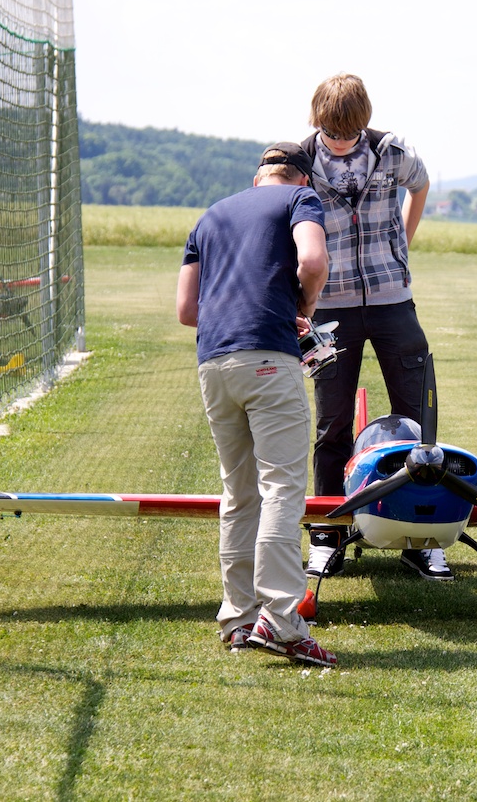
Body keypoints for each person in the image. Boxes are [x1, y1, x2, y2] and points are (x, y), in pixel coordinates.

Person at [177, 142, 336, 668]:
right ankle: (283, 621)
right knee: (282, 488)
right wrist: (303, 303)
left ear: (257, 178)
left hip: (213, 363)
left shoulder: (210, 216)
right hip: (269, 357)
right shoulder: (300, 201)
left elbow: (186, 310)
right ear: (302, 180)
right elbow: (312, 259)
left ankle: (238, 618)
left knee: (238, 492)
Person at [299, 73, 451, 582]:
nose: (340, 142)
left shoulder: (393, 151)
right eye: (331, 133)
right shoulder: (300, 159)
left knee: (418, 420)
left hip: (393, 302)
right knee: (332, 425)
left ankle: (422, 540)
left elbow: (420, 184)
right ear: (317, 121)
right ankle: (327, 536)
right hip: (329, 308)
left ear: (364, 123)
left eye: (349, 134)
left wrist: (403, 241)